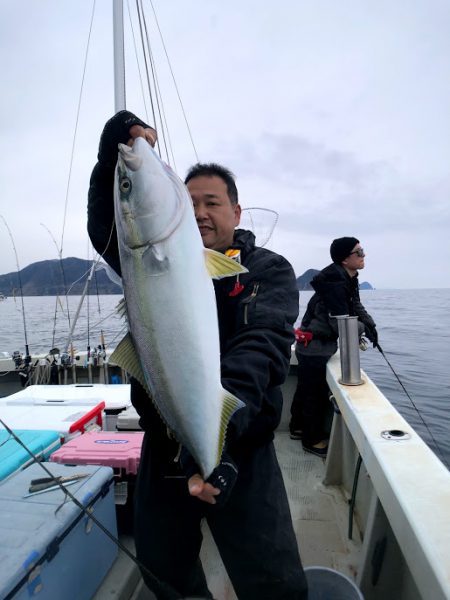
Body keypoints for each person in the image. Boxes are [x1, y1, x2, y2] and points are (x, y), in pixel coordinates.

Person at [87, 110, 308, 600]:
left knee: (273, 582)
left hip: (241, 449)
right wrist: (111, 159)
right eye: (191, 203)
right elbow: (110, 225)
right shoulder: (151, 254)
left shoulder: (265, 271)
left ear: (237, 212)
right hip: (165, 447)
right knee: (163, 571)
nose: (201, 212)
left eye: (213, 202)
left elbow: (261, 351)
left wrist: (218, 448)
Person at [289, 237, 377, 458]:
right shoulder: (335, 285)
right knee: (314, 395)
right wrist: (362, 328)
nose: (363, 255)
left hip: (314, 345)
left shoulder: (346, 279)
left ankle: (296, 428)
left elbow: (355, 305)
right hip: (314, 346)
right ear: (345, 259)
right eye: (359, 252)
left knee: (306, 390)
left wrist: (370, 325)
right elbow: (340, 323)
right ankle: (311, 440)